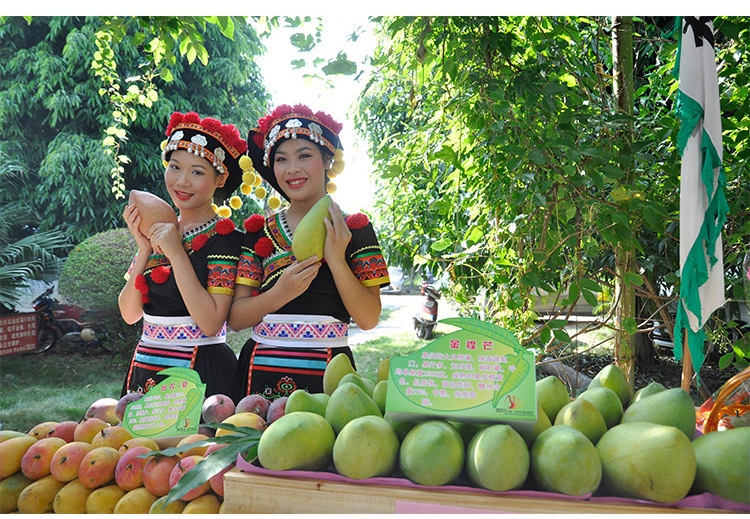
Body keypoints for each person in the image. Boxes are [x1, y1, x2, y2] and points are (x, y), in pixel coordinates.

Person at [229, 104, 390, 401]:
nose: (292, 169)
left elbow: (368, 319)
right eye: (281, 159)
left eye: (304, 155)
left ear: (328, 159)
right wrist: (280, 293)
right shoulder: (258, 232)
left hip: (329, 374)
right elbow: (236, 319)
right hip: (259, 372)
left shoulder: (355, 230)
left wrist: (337, 260)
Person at [119, 111, 250, 398]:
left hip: (202, 371)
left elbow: (211, 322)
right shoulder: (157, 232)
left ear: (220, 179)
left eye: (198, 172)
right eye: (175, 167)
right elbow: (129, 314)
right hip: (147, 366)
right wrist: (143, 248)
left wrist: (177, 254)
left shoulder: (226, 240)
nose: (182, 181)